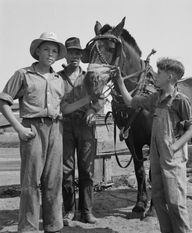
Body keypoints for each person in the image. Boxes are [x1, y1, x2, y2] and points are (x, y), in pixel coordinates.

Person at [114, 58, 192, 233]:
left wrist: (174, 147)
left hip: (173, 158)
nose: (155, 75)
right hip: (156, 157)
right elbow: (130, 102)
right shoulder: (155, 98)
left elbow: (191, 130)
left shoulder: (181, 100)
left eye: (159, 73)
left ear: (170, 77)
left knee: (175, 201)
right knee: (158, 199)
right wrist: (120, 82)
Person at [0, 32, 67, 233]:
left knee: (54, 181)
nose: (51, 53)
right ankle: (28, 228)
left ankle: (53, 226)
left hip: (56, 129)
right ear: (37, 51)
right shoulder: (23, 74)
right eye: (46, 49)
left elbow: (64, 108)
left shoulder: (58, 79)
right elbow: (3, 101)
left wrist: (90, 99)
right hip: (33, 129)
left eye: (55, 50)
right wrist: (19, 129)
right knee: (31, 182)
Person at [58, 37, 103, 225]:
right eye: (71, 52)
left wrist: (93, 110)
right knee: (66, 171)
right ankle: (69, 211)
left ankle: (86, 211)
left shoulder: (90, 77)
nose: (75, 56)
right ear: (66, 54)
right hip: (65, 126)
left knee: (87, 171)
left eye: (78, 53)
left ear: (82, 55)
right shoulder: (57, 77)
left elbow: (100, 100)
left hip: (86, 127)